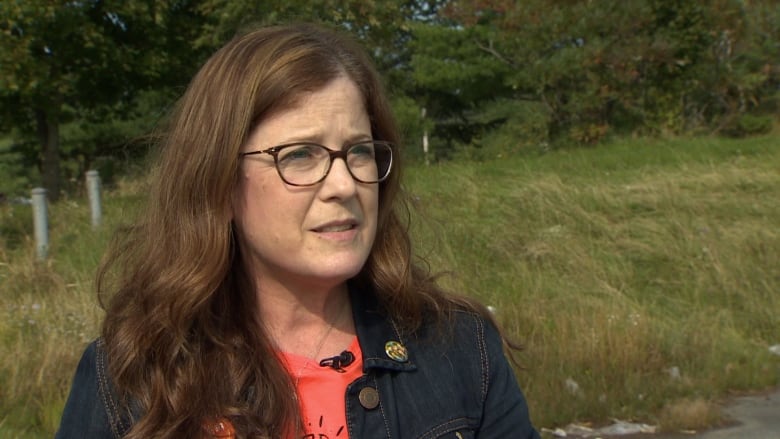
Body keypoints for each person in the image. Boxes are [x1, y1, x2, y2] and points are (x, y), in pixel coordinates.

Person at [55, 23, 540, 439]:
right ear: (219, 183)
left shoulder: (458, 349)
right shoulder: (133, 376)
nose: (345, 184)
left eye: (360, 150)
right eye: (300, 155)